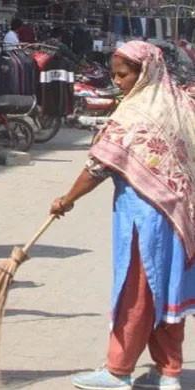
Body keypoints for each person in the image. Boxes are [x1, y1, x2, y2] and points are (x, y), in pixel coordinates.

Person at [50, 41, 195, 390]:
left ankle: (118, 370)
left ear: (144, 72)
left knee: (137, 293)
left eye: (124, 74)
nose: (117, 81)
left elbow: (98, 167)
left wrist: (66, 199)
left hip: (144, 219)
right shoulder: (179, 103)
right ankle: (169, 372)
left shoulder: (134, 114)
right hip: (177, 217)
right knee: (166, 293)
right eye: (115, 74)